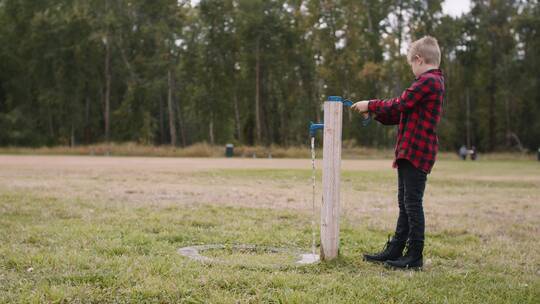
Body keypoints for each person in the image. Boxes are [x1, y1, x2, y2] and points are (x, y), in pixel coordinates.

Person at [351, 36, 445, 269]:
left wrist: (371, 104)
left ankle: (414, 255)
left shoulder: (429, 81)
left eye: (411, 65)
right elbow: (398, 113)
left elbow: (400, 103)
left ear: (419, 59)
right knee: (405, 202)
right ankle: (396, 248)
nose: (412, 70)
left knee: (412, 204)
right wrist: (374, 113)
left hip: (416, 152)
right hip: (409, 152)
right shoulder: (428, 83)